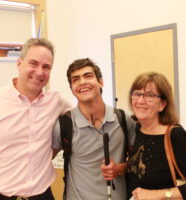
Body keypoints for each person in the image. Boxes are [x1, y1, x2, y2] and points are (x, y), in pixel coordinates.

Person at [0, 38, 71, 200]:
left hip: (42, 195)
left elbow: (84, 116)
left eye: (46, 67)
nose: (39, 72)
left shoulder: (56, 102)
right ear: (19, 63)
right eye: (33, 63)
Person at [52, 58, 136, 200]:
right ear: (72, 88)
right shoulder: (64, 125)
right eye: (75, 79)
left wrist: (120, 168)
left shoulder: (123, 119)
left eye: (88, 76)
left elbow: (140, 162)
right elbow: (43, 160)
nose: (82, 82)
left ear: (101, 82)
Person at [125, 72, 186, 200]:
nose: (140, 101)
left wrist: (156, 195)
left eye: (149, 95)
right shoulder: (137, 130)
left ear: (162, 104)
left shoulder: (176, 136)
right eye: (137, 94)